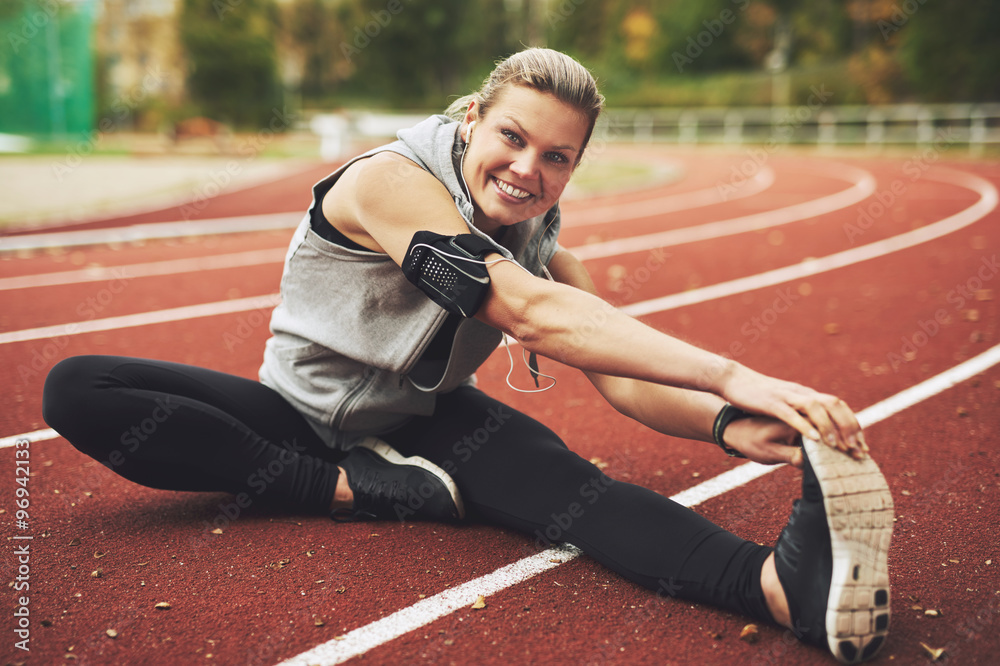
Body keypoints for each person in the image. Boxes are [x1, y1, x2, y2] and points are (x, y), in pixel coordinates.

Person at [42, 48, 891, 664]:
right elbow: (519, 309)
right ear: (472, 117)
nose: (528, 170)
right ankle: (346, 490)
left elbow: (622, 375)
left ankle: (785, 590)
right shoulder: (387, 183)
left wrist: (725, 421)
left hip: (429, 419)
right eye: (513, 138)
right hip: (298, 416)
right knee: (78, 387)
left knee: (573, 489)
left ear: (575, 166)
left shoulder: (540, 237)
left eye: (558, 157)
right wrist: (735, 373)